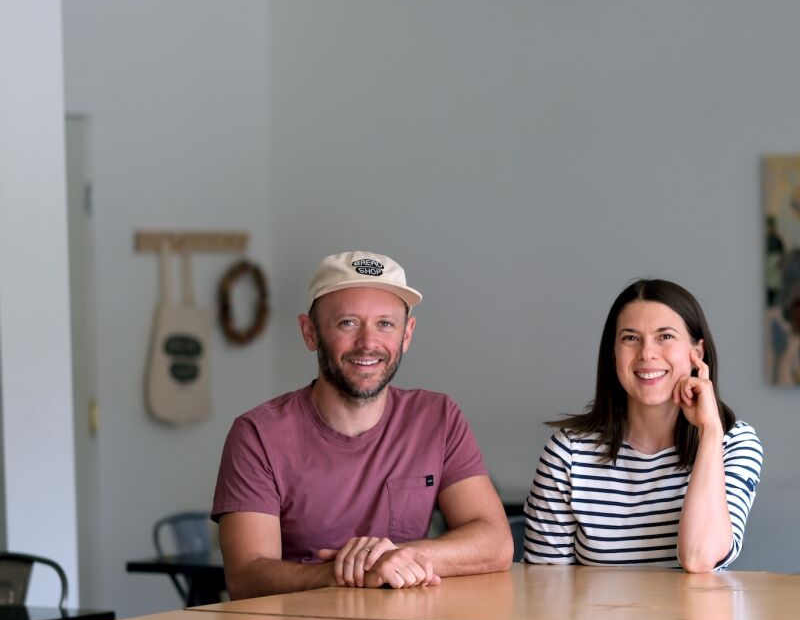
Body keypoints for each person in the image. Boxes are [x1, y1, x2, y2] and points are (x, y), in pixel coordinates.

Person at [213, 250, 513, 598]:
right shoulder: (257, 435)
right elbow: (246, 576)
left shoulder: (438, 417)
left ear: (407, 334)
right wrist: (345, 573)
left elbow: (496, 542)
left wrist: (401, 556)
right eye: (348, 323)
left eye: (385, 323)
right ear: (310, 333)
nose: (368, 343)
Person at [523, 278, 763, 572]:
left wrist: (710, 433)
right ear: (613, 355)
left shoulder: (735, 443)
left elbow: (700, 559)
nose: (647, 353)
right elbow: (542, 586)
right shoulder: (567, 453)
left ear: (697, 354)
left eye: (665, 336)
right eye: (630, 338)